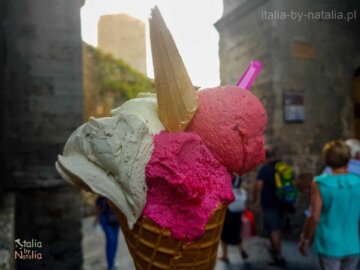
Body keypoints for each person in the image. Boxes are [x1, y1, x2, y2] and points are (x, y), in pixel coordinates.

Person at [298, 140, 360, 270]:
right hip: (353, 243)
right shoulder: (357, 181)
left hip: (329, 244)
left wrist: (305, 239)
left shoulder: (320, 183)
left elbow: (314, 217)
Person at [254, 145, 287, 267]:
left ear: (266, 156)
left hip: (270, 203)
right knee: (278, 229)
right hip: (283, 203)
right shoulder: (283, 167)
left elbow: (258, 186)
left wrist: (256, 200)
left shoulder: (265, 169)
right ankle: (277, 251)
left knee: (273, 230)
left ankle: (278, 256)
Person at [219, 173, 249, 263]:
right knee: (236, 229)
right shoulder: (240, 176)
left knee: (224, 231)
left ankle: (225, 255)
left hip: (229, 206)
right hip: (238, 206)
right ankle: (242, 250)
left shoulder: (227, 175)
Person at [94, 196, 120, 270]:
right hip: (105, 218)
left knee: (115, 241)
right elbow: (98, 207)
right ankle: (110, 265)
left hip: (115, 218)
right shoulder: (102, 194)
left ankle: (112, 260)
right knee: (111, 240)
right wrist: (96, 219)